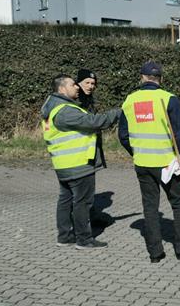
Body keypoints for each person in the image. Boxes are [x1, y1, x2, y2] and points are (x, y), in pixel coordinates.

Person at [119, 61, 180, 263]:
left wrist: (136, 151)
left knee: (150, 206)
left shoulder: (129, 101)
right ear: (160, 79)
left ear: (142, 77)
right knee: (178, 204)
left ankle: (155, 253)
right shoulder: (168, 98)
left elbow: (122, 135)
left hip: (143, 164)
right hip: (168, 164)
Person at [41, 75, 121, 249]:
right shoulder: (65, 110)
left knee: (66, 200)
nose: (77, 87)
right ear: (62, 89)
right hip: (78, 164)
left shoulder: (53, 107)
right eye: (72, 85)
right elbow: (94, 122)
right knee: (82, 202)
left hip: (63, 164)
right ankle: (84, 239)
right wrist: (118, 113)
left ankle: (65, 236)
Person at [76, 68, 116, 227]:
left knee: (89, 187)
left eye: (93, 83)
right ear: (78, 82)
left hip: (90, 150)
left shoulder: (88, 100)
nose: (91, 86)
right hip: (80, 151)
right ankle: (82, 225)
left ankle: (91, 216)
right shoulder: (76, 100)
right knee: (82, 191)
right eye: (87, 82)